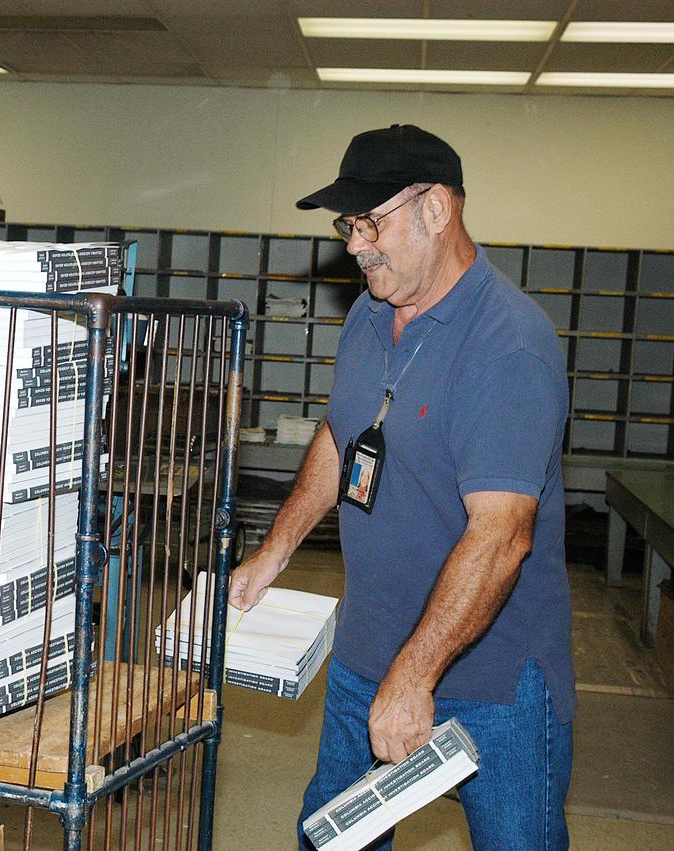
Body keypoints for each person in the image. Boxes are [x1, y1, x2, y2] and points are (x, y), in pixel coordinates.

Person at [229, 124, 573, 850]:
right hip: (367, 653)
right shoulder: (369, 313)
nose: (355, 245)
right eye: (349, 225)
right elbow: (341, 434)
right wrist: (276, 549)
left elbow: (501, 535)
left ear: (437, 209)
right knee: (332, 838)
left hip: (491, 682)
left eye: (371, 222)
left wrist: (416, 675)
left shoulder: (507, 344)